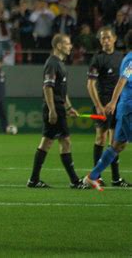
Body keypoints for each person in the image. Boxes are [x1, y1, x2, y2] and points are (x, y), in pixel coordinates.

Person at [27, 34, 87, 189]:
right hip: (54, 108)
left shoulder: (59, 63)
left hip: (58, 107)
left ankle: (33, 180)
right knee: (65, 141)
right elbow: (47, 87)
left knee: (47, 142)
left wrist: (69, 107)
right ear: (59, 46)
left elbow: (61, 91)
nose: (70, 46)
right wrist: (52, 110)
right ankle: (74, 181)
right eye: (67, 43)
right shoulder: (52, 63)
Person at [84, 30, 132, 191]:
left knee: (117, 145)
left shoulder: (123, 57)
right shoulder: (130, 60)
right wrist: (111, 102)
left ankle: (92, 177)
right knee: (105, 140)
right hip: (127, 108)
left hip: (123, 108)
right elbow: (122, 80)